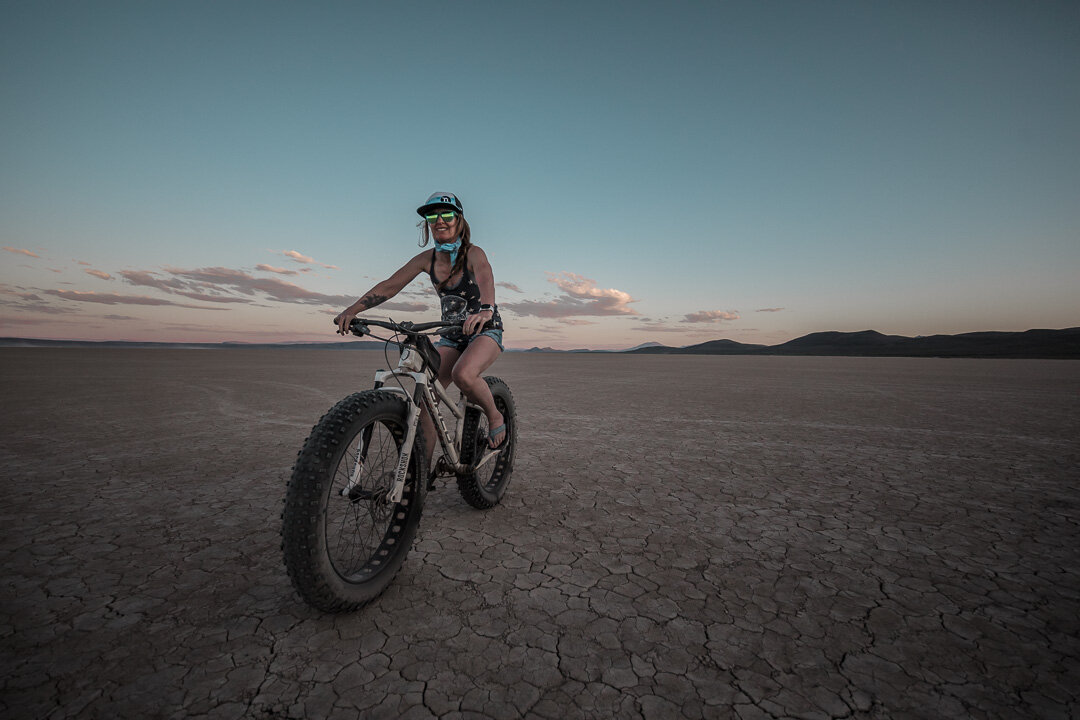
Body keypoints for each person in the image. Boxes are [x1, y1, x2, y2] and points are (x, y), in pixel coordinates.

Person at [334, 192, 507, 464]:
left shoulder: (473, 253)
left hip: (484, 331)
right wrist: (354, 309)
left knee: (464, 374)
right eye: (432, 215)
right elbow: (391, 285)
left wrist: (486, 309)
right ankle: (420, 478)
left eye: (447, 214)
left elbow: (485, 275)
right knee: (427, 399)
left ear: (459, 220)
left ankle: (495, 415)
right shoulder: (426, 259)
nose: (439, 220)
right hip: (451, 336)